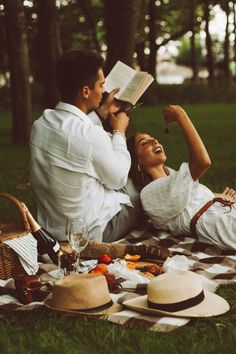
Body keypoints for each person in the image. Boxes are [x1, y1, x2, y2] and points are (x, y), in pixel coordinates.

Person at [30, 49, 143, 243]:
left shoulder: (41, 124)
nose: (104, 90)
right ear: (85, 91)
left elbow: (76, 134)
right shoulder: (91, 135)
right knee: (137, 190)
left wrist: (101, 113)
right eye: (101, 85)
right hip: (89, 233)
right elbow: (119, 180)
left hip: (51, 229)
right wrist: (119, 132)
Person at [127, 105, 236, 250]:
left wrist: (218, 197)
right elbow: (202, 162)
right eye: (144, 143)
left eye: (153, 139)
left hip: (225, 212)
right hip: (219, 223)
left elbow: (189, 198)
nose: (154, 141)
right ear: (137, 162)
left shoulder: (172, 176)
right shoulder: (150, 194)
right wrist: (180, 115)